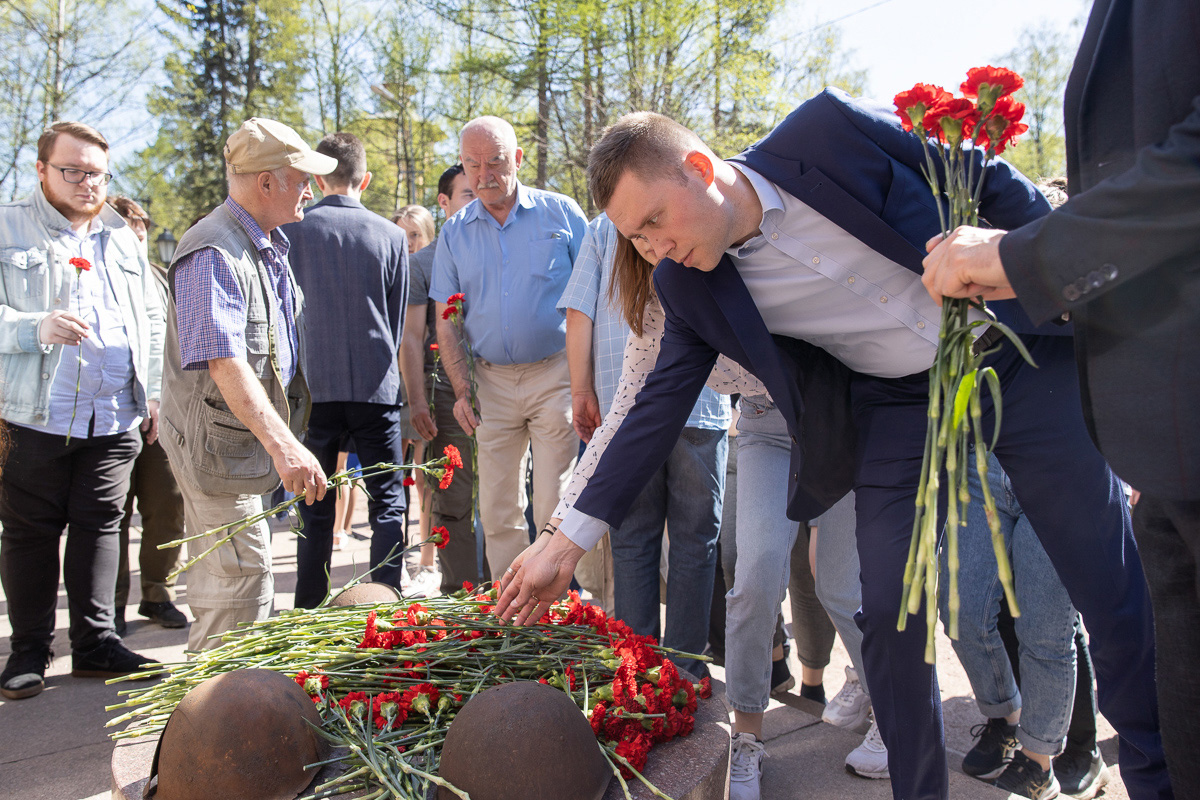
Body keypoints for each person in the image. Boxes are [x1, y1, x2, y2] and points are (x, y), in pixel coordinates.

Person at [498, 91, 1169, 800]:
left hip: (1015, 356)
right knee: (888, 612)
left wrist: (1057, 266)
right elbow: (652, 409)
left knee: (1104, 577)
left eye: (656, 220)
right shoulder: (686, 286)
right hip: (897, 408)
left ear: (700, 167)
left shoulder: (826, 133)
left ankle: (1162, 771)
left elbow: (980, 174)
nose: (654, 247)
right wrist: (564, 542)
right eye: (635, 238)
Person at [920, 4, 1196, 793]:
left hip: (1125, 430)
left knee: (1062, 625)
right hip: (1156, 447)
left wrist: (1020, 257)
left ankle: (1058, 751)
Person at [0, 122, 162, 699]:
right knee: (30, 534)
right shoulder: (7, 227)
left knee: (102, 529)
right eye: (73, 170)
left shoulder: (122, 237)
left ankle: (95, 644)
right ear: (41, 170)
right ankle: (28, 654)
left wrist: (155, 393)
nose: (88, 183)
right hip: (33, 417)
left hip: (114, 416)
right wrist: (32, 328)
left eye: (97, 172)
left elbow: (152, 317)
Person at [159, 117, 332, 650]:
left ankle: (224, 717)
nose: (310, 188)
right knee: (233, 602)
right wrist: (286, 447)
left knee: (246, 590)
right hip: (218, 455)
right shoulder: (214, 251)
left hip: (237, 451)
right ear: (266, 182)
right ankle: (200, 724)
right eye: (301, 177)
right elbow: (224, 361)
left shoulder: (261, 244)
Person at [558, 212, 728, 660]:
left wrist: (581, 390)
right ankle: (687, 669)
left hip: (630, 410)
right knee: (695, 542)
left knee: (633, 538)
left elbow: (580, 312)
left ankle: (638, 669)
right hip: (700, 401)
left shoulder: (602, 227)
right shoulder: (687, 210)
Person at [429, 116, 588, 577]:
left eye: (495, 161)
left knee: (553, 504)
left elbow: (593, 302)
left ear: (517, 159)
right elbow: (448, 320)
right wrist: (462, 390)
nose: (484, 175)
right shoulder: (455, 233)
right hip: (489, 383)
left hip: (556, 374)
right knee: (497, 510)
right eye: (472, 164)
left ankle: (560, 608)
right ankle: (513, 617)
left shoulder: (562, 214)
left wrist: (587, 382)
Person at [281, 131, 410, 608]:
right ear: (366, 179)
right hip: (376, 385)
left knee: (314, 503)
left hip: (314, 386)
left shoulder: (292, 231)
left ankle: (309, 610)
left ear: (316, 175)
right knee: (387, 501)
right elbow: (395, 320)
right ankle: (386, 604)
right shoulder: (393, 235)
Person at [400, 165, 482, 592]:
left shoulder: (494, 247)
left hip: (503, 392)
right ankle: (462, 594)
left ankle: (508, 595)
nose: (478, 198)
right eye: (468, 193)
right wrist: (417, 401)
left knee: (504, 502)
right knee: (454, 498)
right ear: (445, 202)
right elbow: (412, 339)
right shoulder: (423, 264)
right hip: (446, 397)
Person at [108, 195, 187, 635]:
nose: (137, 232)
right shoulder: (99, 277)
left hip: (164, 417)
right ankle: (110, 607)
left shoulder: (162, 277)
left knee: (167, 507)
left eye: (140, 224)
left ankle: (157, 592)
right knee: (112, 515)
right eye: (127, 224)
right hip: (114, 416)